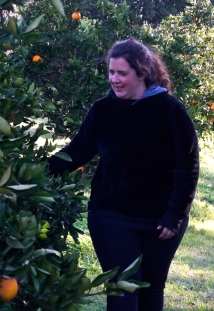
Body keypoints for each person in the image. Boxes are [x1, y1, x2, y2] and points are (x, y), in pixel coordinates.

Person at [48, 37, 199, 311]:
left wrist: (175, 214)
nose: (114, 79)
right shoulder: (103, 110)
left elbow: (188, 167)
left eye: (122, 73)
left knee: (150, 291)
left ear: (142, 73)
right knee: (122, 290)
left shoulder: (170, 111)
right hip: (111, 215)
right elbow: (78, 150)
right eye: (111, 72)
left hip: (160, 220)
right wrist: (34, 171)